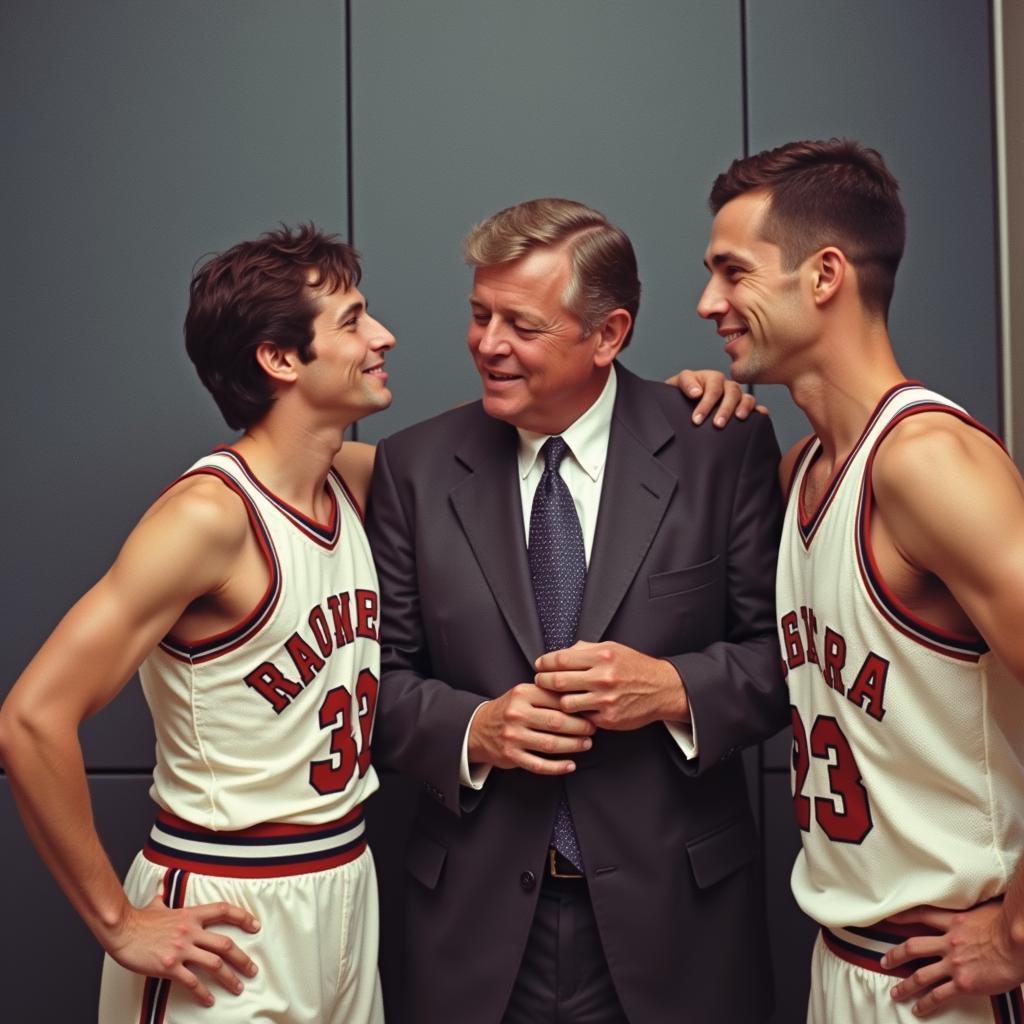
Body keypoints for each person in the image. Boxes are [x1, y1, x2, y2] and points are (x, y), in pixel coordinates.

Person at [364, 197, 788, 1024]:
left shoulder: (721, 447)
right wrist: (473, 731)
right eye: (479, 315)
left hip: (681, 922)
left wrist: (672, 689)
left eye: (521, 325)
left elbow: (787, 659)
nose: (488, 345)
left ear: (608, 335)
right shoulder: (411, 468)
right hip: (473, 930)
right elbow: (376, 681)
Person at [0, 225, 394, 1022]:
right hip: (228, 901)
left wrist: (697, 392)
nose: (382, 336)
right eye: (352, 322)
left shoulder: (350, 481)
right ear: (280, 360)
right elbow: (32, 719)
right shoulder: (208, 518)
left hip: (345, 884)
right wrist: (118, 923)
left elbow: (492, 453)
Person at [698, 139, 1024, 1023]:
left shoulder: (926, 463)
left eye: (733, 273)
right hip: (846, 960)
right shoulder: (800, 468)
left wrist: (1019, 932)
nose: (708, 304)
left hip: (946, 974)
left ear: (825, 275)